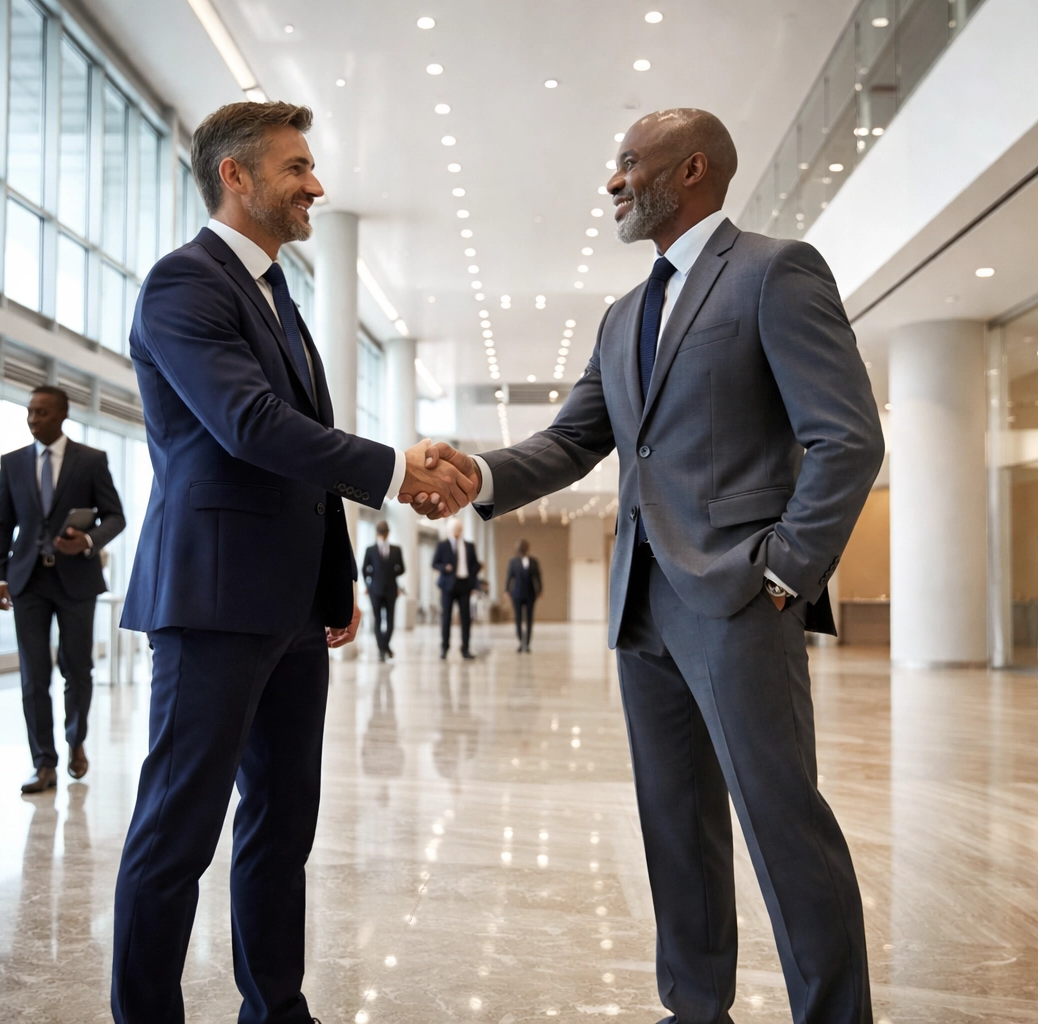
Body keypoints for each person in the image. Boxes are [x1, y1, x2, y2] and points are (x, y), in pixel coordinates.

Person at [413, 108, 882, 1024]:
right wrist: (477, 475)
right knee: (675, 825)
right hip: (644, 607)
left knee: (784, 828)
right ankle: (694, 1006)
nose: (614, 182)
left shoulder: (774, 272)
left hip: (743, 600)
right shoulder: (625, 312)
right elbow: (575, 439)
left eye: (629, 163)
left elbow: (847, 437)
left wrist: (787, 571)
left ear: (692, 167)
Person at [109, 100, 473, 1024]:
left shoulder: (278, 294)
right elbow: (252, 427)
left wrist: (334, 576)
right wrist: (396, 469)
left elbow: (302, 447)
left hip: (288, 609)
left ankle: (277, 1008)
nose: (316, 185)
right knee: (177, 832)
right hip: (213, 600)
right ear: (236, 177)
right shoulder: (182, 285)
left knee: (281, 826)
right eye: (297, 167)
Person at [0, 385, 126, 794]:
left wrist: (85, 542)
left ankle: (75, 740)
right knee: (33, 675)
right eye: (30, 412)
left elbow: (115, 516)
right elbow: (1, 526)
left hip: (75, 580)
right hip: (28, 580)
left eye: (42, 413)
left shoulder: (91, 461)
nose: (33, 419)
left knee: (77, 668)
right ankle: (43, 763)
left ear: (63, 414)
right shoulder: (12, 463)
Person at [432, 518, 480, 660]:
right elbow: (434, 563)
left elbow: (475, 565)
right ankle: (444, 648)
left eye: (458, 529)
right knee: (446, 618)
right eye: (454, 529)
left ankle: (465, 649)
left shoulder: (469, 546)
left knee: (466, 619)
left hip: (464, 585)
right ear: (449, 530)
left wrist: (474, 583)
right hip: (447, 586)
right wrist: (444, 567)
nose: (456, 532)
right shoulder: (442, 545)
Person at [361, 520, 405, 660]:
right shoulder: (370, 550)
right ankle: (382, 650)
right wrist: (368, 586)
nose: (382, 536)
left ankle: (384, 646)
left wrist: (391, 574)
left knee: (390, 620)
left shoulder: (396, 550)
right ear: (377, 534)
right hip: (375, 590)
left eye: (384, 533)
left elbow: (402, 568)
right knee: (378, 620)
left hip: (391, 589)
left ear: (388, 533)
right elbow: (364, 569)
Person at [505, 539, 542, 652]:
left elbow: (538, 577)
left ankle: (527, 643)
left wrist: (540, 590)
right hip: (517, 594)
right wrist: (507, 590)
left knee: (529, 618)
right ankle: (521, 642)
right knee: (518, 618)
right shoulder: (513, 562)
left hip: (530, 593)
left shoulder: (533, 561)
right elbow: (509, 577)